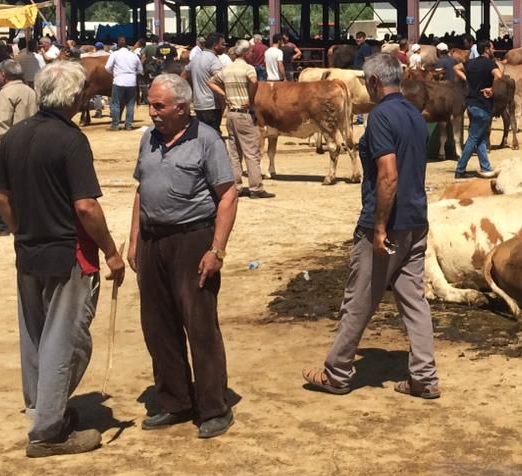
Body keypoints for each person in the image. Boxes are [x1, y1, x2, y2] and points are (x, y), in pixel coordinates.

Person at [0, 61, 124, 458]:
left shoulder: (15, 136)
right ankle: (49, 430)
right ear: (76, 97)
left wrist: (21, 231)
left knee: (34, 334)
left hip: (28, 249)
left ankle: (41, 408)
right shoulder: (71, 141)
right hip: (68, 251)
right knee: (65, 339)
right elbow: (85, 207)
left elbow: (1, 197)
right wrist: (111, 251)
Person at [303, 53, 439, 399]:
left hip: (387, 223)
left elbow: (388, 175)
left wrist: (378, 228)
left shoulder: (380, 117)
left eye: (366, 83)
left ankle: (337, 372)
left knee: (358, 299)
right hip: (416, 220)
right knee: (414, 302)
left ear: (375, 83)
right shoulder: (413, 114)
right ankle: (424, 376)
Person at [128, 74, 239, 439]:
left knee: (199, 323)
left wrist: (217, 249)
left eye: (159, 106)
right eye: (150, 104)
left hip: (193, 240)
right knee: (157, 324)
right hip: (152, 241)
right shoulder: (148, 139)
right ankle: (174, 400)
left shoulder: (206, 140)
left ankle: (213, 407)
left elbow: (227, 195)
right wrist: (133, 242)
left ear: (182, 107)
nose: (152, 112)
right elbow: (141, 190)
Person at [0, 60, 38, 237]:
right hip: (29, 143)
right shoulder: (30, 91)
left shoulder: (6, 93)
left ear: (3, 75)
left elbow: (1, 123)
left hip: (8, 146)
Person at [209, 42, 273, 200]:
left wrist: (224, 95)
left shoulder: (227, 69)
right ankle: (256, 187)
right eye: (251, 52)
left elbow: (210, 82)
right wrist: (250, 99)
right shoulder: (248, 68)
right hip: (244, 113)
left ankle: (237, 186)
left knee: (235, 152)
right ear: (245, 53)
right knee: (251, 151)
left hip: (231, 113)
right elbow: (253, 81)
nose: (253, 54)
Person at [454, 38, 499, 180]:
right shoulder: (489, 64)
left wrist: (466, 79)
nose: (494, 50)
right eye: (492, 48)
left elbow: (456, 68)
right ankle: (460, 169)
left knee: (479, 139)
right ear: (486, 49)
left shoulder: (471, 63)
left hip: (471, 104)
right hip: (483, 105)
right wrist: (492, 89)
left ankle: (485, 167)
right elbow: (499, 75)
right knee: (473, 139)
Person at [186, 32, 224, 130]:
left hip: (198, 104)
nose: (224, 47)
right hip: (212, 105)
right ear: (215, 45)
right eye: (222, 44)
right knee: (213, 134)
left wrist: (192, 88)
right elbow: (219, 81)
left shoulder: (196, 58)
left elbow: (184, 74)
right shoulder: (214, 61)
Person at [105, 36, 142, 130]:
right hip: (131, 82)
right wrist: (133, 73)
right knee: (130, 104)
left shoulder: (114, 54)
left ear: (117, 45)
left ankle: (115, 125)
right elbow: (140, 70)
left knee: (115, 103)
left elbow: (107, 67)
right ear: (127, 45)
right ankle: (128, 125)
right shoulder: (133, 55)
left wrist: (114, 73)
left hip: (119, 81)